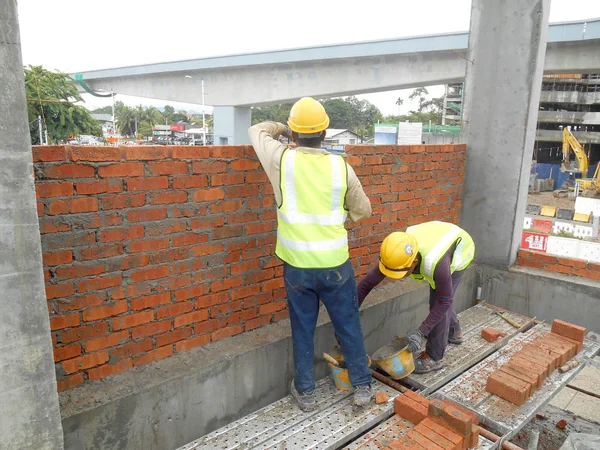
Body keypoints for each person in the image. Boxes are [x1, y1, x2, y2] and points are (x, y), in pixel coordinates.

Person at [248, 97, 373, 411]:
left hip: (298, 268)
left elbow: (256, 131)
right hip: (335, 266)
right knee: (348, 324)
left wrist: (280, 127)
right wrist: (342, 220)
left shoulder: (281, 160)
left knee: (302, 328)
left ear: (293, 133)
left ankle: (305, 393)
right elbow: (364, 209)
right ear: (325, 131)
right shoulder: (340, 167)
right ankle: (362, 387)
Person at [357, 221, 475, 374]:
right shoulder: (397, 254)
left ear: (414, 262)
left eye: (401, 273)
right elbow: (365, 285)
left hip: (462, 249)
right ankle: (454, 332)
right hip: (439, 238)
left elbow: (444, 302)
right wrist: (348, 314)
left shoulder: (436, 265)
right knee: (442, 298)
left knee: (438, 301)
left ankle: (435, 357)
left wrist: (421, 331)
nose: (395, 278)